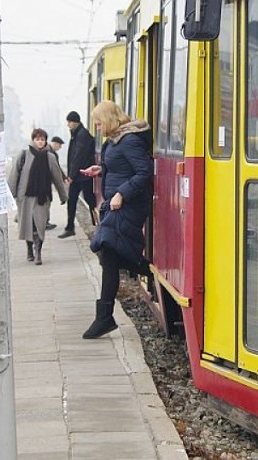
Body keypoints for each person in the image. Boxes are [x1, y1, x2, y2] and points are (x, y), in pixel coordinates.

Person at [79, 100, 153, 339]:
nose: (97, 126)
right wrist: (100, 170)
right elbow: (120, 165)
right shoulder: (115, 140)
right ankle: (144, 269)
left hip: (127, 205)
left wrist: (122, 193)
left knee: (108, 252)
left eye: (99, 122)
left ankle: (104, 318)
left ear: (110, 119)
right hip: (115, 203)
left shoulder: (129, 140)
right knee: (108, 252)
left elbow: (144, 172)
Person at [8, 128, 68, 265]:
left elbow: (57, 178)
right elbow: (14, 175)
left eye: (42, 139)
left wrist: (63, 195)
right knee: (28, 225)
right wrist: (11, 195)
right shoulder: (24, 155)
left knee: (39, 225)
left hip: (42, 197)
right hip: (25, 197)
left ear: (45, 141)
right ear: (33, 140)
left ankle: (38, 253)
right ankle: (29, 249)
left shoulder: (50, 157)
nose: (40, 142)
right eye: (37, 139)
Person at [58, 111, 97, 239]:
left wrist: (71, 176)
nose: (68, 124)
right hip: (79, 175)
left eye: (70, 122)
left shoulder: (82, 135)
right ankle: (70, 227)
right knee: (73, 200)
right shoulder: (77, 134)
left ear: (76, 122)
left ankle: (96, 223)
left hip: (83, 175)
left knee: (89, 199)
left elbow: (78, 157)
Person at [45, 136, 67, 230]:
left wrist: (64, 177)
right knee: (46, 201)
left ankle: (44, 221)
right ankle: (45, 222)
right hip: (45, 181)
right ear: (55, 144)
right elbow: (56, 170)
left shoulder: (51, 153)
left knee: (45, 201)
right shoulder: (50, 154)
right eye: (60, 145)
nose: (60, 148)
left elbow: (57, 169)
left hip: (46, 180)